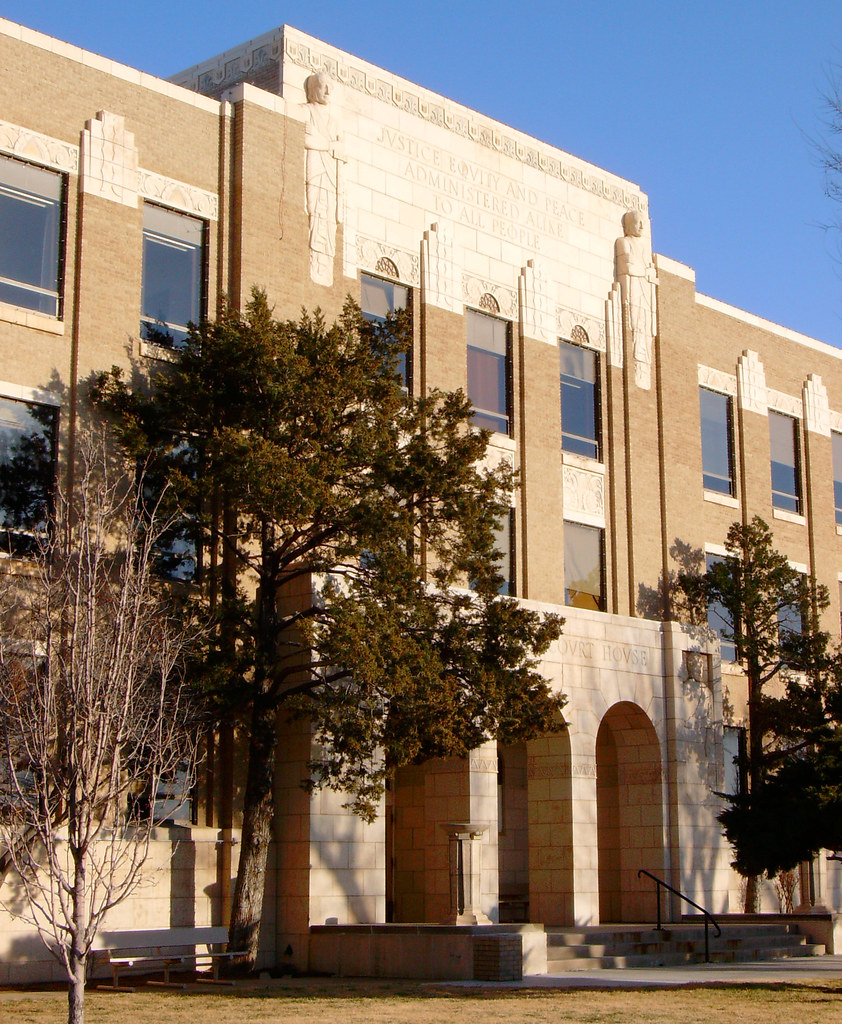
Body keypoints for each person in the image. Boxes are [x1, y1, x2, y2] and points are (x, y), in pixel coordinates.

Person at [304, 72, 345, 286]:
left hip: (331, 177)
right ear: (313, 89)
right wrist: (330, 145)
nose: (328, 91)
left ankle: (323, 262)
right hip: (315, 171)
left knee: (328, 218)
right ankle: (315, 259)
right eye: (323, 86)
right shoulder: (305, 111)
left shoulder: (336, 122)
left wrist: (322, 142)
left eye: (331, 87)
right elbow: (302, 138)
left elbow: (343, 152)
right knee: (314, 208)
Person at [614, 210, 657, 388]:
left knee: (645, 327)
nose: (641, 226)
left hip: (646, 293)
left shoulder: (644, 247)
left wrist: (647, 272)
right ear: (629, 224)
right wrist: (647, 272)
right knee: (636, 323)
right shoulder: (623, 242)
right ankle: (638, 364)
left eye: (643, 223)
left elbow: (647, 269)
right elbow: (628, 267)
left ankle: (643, 368)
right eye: (638, 222)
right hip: (634, 292)